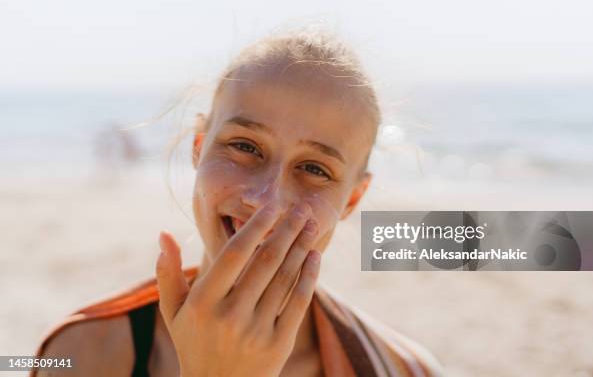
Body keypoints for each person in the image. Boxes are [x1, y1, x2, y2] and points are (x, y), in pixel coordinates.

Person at [31, 28, 444, 376]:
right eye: (245, 146)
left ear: (352, 199)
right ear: (198, 149)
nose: (267, 201)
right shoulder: (81, 352)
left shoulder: (405, 369)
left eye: (315, 169)